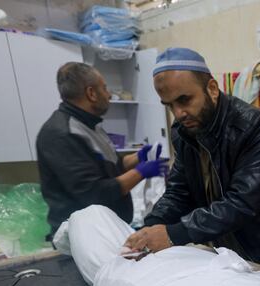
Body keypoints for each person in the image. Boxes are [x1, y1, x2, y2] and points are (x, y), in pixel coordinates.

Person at [123, 48, 260, 270]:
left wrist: (172, 234)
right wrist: (149, 228)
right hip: (229, 253)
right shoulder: (183, 132)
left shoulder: (253, 127)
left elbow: (241, 204)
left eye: (185, 99)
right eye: (170, 105)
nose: (178, 113)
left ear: (212, 88)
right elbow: (179, 192)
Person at [37, 62, 168, 239]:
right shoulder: (61, 134)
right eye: (104, 88)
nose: (108, 94)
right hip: (84, 237)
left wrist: (138, 157)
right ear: (91, 93)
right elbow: (95, 193)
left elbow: (110, 167)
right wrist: (141, 172)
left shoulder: (90, 125)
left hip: (108, 228)